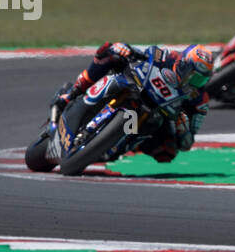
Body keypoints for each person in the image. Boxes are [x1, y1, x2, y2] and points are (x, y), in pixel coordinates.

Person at [55, 42, 214, 163]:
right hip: (136, 86)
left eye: (201, 79)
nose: (195, 82)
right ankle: (72, 93)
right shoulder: (167, 56)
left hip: (159, 113)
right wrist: (125, 50)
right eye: (194, 75)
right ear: (183, 64)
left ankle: (122, 144)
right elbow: (143, 54)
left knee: (168, 150)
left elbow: (186, 143)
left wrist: (182, 129)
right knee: (109, 50)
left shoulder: (200, 99)